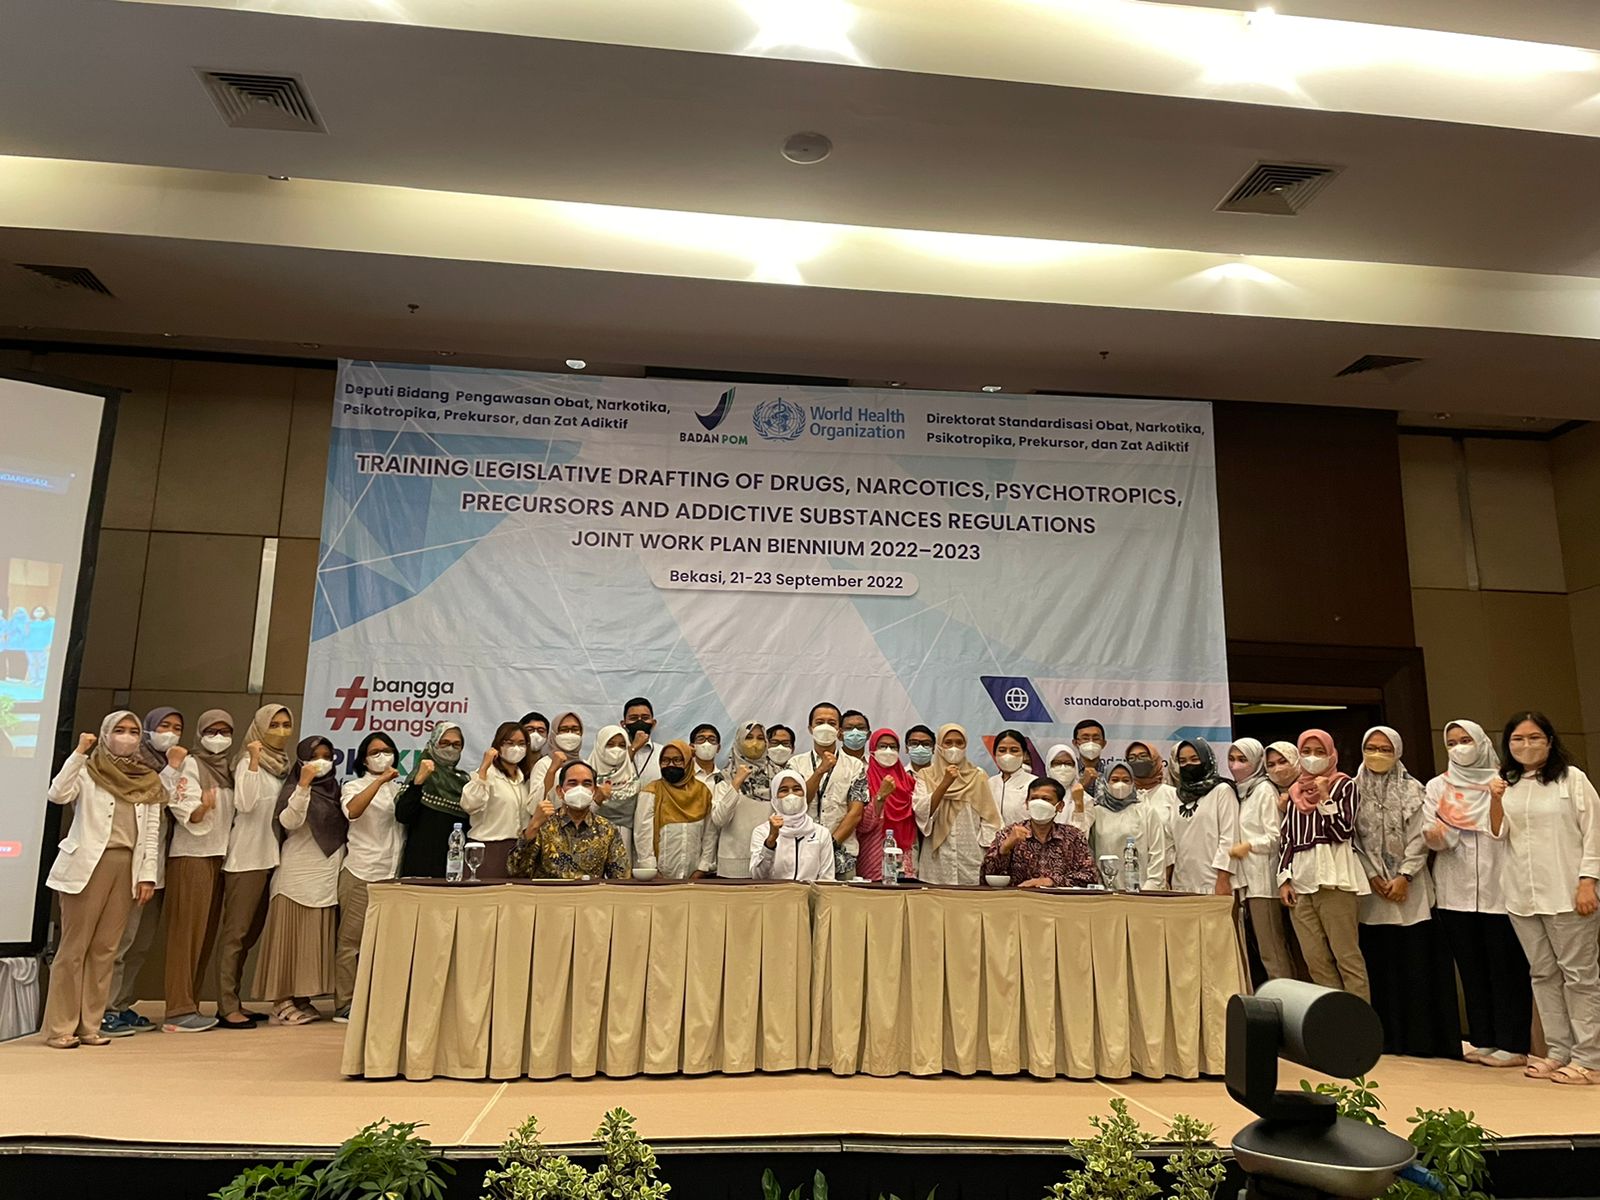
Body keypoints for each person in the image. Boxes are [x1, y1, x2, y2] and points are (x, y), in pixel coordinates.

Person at [40, 713, 169, 1049]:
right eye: (119, 730)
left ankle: (90, 1025)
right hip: (88, 864)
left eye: (133, 732)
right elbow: (57, 794)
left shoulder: (147, 778)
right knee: (74, 948)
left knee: (106, 949)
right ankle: (61, 1027)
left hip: (127, 867)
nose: (126, 737)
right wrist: (79, 752)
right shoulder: (87, 769)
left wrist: (148, 875)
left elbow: (151, 832)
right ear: (105, 733)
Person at [1489, 711, 1600, 1085]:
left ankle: (1590, 1058)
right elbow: (1498, 833)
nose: (1526, 745)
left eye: (1534, 737)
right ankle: (1558, 1051)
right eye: (1518, 739)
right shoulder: (1508, 783)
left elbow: (1594, 832)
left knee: (1580, 977)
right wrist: (1495, 799)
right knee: (1543, 974)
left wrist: (1588, 881)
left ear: (1550, 742)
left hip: (1568, 893)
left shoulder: (1572, 779)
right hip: (1522, 895)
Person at [1424, 720, 1532, 1068]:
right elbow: (1431, 829)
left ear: (1482, 742)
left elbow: (1506, 829)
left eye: (1465, 740)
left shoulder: (1505, 782)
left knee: (1506, 968)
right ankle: (1483, 1039)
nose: (1459, 747)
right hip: (1454, 891)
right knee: (1471, 968)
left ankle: (1513, 1043)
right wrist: (1437, 836)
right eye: (1452, 742)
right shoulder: (1439, 785)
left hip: (1499, 888)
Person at [1350, 726, 1459, 1057]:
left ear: (1397, 752)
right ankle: (1385, 1039)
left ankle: (1420, 1041)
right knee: (1379, 967)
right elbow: (1351, 839)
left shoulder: (1415, 790)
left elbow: (1420, 837)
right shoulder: (1351, 791)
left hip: (1410, 889)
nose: (1377, 754)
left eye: (1385, 749)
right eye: (1371, 747)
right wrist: (1372, 875)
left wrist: (1404, 876)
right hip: (1371, 891)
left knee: (1414, 967)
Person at [102, 706, 188, 1036]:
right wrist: (173, 768)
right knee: (119, 943)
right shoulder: (136, 764)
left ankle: (122, 1003)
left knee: (140, 944)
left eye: (177, 727)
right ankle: (105, 1008)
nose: (171, 733)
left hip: (156, 868)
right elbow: (157, 797)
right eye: (164, 726)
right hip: (129, 867)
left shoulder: (172, 764)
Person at [254, 736, 346, 1026]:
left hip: (325, 876)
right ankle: (281, 1002)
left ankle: (302, 997)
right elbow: (290, 821)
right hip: (296, 875)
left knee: (310, 940)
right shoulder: (294, 788)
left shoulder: (335, 790)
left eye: (327, 756)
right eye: (315, 756)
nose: (321, 761)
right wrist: (304, 786)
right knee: (289, 940)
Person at [215, 704, 293, 1029]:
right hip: (246, 859)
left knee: (250, 936)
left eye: (286, 724)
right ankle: (226, 1006)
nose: (281, 730)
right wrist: (254, 759)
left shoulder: (281, 766)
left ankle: (235, 1000)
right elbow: (245, 803)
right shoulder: (247, 762)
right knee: (235, 935)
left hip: (270, 858)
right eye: (274, 724)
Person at [1278, 729, 1369, 1002]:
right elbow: (1287, 838)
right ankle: (1333, 1018)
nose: (1312, 757)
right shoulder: (1294, 793)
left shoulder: (1345, 785)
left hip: (1335, 879)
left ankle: (1359, 1020)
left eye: (1319, 752)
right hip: (1301, 883)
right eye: (1306, 752)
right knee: (1315, 959)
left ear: (1331, 755)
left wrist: (1325, 797)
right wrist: (1284, 879)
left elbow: (1342, 832)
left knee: (1346, 956)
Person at [161, 709, 234, 1033]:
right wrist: (202, 808)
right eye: (212, 731)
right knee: (186, 936)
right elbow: (181, 807)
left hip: (218, 856)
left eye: (225, 732)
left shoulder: (228, 770)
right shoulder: (191, 764)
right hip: (191, 856)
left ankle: (192, 1003)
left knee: (205, 936)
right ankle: (177, 1010)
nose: (218, 738)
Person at [334, 731, 405, 1022]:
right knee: (351, 943)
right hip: (361, 872)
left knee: (384, 944)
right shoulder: (354, 786)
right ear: (364, 759)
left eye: (387, 751)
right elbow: (353, 811)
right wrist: (379, 780)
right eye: (375, 752)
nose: (382, 756)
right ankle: (345, 1003)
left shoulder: (398, 789)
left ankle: (376, 1000)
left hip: (392, 874)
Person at [1229, 740, 1298, 981]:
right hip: (1248, 881)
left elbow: (1275, 837)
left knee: (1273, 951)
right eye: (1232, 759)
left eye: (1243, 759)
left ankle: (1286, 999)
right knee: (1262, 951)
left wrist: (1249, 845)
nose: (1235, 765)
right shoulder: (1243, 792)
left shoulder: (1264, 790)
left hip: (1264, 882)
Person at [510, 759, 631, 880]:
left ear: (594, 791)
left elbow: (621, 876)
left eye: (586, 784)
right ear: (560, 791)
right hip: (549, 891)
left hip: (591, 891)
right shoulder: (543, 826)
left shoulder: (607, 830)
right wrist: (533, 827)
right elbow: (515, 871)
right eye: (572, 783)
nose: (580, 789)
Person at [913, 724, 1000, 885]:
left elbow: (991, 818)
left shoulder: (978, 776)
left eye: (959, 743)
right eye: (948, 743)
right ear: (939, 746)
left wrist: (984, 849)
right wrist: (945, 783)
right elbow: (922, 812)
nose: (954, 748)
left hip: (971, 858)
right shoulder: (926, 775)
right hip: (936, 860)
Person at [1068, 754, 1170, 890]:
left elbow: (1157, 853)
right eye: (1114, 780)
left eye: (1126, 780)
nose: (1120, 784)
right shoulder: (1096, 812)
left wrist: (1150, 887)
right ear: (1105, 783)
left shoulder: (1146, 811)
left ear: (1133, 783)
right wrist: (1079, 805)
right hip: (1105, 891)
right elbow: (1079, 842)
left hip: (1142, 891)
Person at [981, 778, 1097, 888]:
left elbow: (1090, 876)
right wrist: (1004, 849)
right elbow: (986, 877)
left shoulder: (1073, 837)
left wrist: (1051, 881)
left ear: (1060, 806)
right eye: (1034, 798)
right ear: (1027, 803)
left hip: (1059, 900)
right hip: (1020, 899)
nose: (1039, 804)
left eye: (1046, 799)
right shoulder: (1008, 834)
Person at [396, 722, 471, 878]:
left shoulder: (464, 780)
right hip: (421, 864)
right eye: (444, 743)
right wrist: (418, 783)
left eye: (456, 744)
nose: (450, 748)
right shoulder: (421, 773)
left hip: (453, 867)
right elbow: (403, 815)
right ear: (434, 743)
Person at [634, 740, 716, 879]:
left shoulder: (703, 792)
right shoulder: (651, 791)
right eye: (665, 760)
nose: (670, 765)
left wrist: (702, 868)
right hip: (659, 875)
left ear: (688, 762)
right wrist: (651, 869)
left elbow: (710, 833)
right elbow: (642, 834)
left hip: (695, 875)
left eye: (677, 760)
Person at [1170, 739, 1240, 895]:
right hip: (1181, 884)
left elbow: (1229, 838)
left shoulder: (1222, 791)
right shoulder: (1178, 795)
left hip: (1213, 883)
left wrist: (1223, 879)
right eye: (1183, 761)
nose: (1188, 765)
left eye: (1194, 759)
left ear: (1206, 760)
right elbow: (1172, 841)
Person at [462, 721, 531, 878]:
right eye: (510, 743)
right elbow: (469, 804)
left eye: (521, 744)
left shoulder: (523, 778)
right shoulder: (487, 774)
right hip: (488, 850)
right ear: (498, 745)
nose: (516, 748)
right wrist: (484, 768)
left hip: (517, 850)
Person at [710, 720, 773, 878]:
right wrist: (736, 783)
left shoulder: (777, 775)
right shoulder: (725, 777)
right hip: (733, 864)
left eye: (760, 738)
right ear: (739, 741)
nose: (755, 743)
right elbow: (719, 819)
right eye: (749, 737)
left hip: (769, 860)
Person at [856, 729, 921, 881]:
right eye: (882, 746)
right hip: (874, 855)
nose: (888, 751)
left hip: (906, 859)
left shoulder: (909, 782)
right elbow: (863, 825)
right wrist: (880, 796)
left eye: (893, 747)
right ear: (872, 749)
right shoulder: (863, 779)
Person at [751, 768, 834, 882]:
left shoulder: (821, 833)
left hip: (810, 892)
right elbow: (758, 876)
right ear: (775, 797)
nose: (791, 795)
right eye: (784, 790)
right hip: (775, 892)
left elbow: (827, 879)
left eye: (796, 789)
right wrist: (770, 841)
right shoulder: (762, 832)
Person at [589, 724, 642, 858]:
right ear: (600, 746)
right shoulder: (585, 776)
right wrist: (598, 799)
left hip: (626, 841)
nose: (616, 749)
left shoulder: (631, 778)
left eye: (622, 745)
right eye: (610, 744)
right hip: (589, 839)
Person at [988, 728, 1039, 826]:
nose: (1008, 755)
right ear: (994, 754)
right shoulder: (990, 783)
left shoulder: (1034, 784)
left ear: (1024, 754)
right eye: (1002, 750)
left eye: (1014, 750)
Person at [622, 697, 662, 792]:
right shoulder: (614, 752)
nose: (640, 722)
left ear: (653, 723)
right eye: (633, 718)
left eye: (645, 718)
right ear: (623, 724)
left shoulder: (663, 752)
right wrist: (634, 748)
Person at [1072, 719, 1107, 802]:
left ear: (1103, 743)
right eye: (1085, 738)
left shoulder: (1110, 774)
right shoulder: (1069, 772)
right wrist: (1081, 785)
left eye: (1096, 738)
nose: (1091, 742)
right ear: (1075, 743)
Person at [24, 603, 54, 685]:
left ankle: (41, 680)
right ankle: (33, 679)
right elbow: (25, 634)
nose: (39, 613)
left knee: (42, 664)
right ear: (33, 612)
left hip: (42, 646)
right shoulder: (29, 622)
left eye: (41, 611)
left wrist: (50, 644)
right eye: (37, 611)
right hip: (30, 646)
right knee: (32, 663)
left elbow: (51, 634)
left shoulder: (49, 622)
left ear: (45, 612)